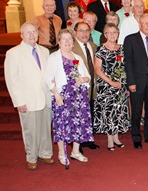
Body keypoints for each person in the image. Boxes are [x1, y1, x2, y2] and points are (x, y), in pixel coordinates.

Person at [4, 22, 53, 170]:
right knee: (30, 130)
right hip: (28, 99)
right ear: (21, 35)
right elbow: (12, 80)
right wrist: (18, 101)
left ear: (38, 34)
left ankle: (45, 152)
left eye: (34, 32)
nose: (32, 35)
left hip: (45, 97)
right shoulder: (13, 53)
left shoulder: (44, 51)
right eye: (28, 32)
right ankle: (31, 156)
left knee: (45, 128)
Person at [44, 29, 94, 166]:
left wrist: (83, 79)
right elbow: (48, 78)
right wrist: (56, 95)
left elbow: (87, 75)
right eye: (64, 39)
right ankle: (61, 152)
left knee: (78, 123)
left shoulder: (77, 56)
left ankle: (76, 151)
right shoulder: (54, 57)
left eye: (69, 39)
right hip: (63, 96)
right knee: (62, 124)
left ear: (73, 42)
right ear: (59, 42)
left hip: (79, 97)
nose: (67, 42)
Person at [123, 14, 148, 149]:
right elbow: (128, 63)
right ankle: (136, 137)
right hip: (137, 81)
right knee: (137, 110)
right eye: (145, 23)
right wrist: (131, 82)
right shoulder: (130, 39)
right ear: (140, 24)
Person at [93, 23, 130, 151]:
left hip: (120, 86)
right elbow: (97, 69)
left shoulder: (122, 48)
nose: (112, 35)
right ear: (105, 34)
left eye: (115, 32)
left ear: (118, 34)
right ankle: (110, 139)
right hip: (106, 86)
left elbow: (127, 67)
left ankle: (116, 137)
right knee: (108, 112)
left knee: (118, 111)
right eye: (109, 32)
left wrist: (125, 85)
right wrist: (111, 82)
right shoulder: (101, 49)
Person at [72, 21, 99, 150]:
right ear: (75, 32)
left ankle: (88, 139)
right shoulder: (71, 48)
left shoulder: (93, 46)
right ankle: (77, 143)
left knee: (90, 114)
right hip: (78, 88)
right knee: (78, 115)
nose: (84, 33)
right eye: (81, 31)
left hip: (92, 86)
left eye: (87, 30)